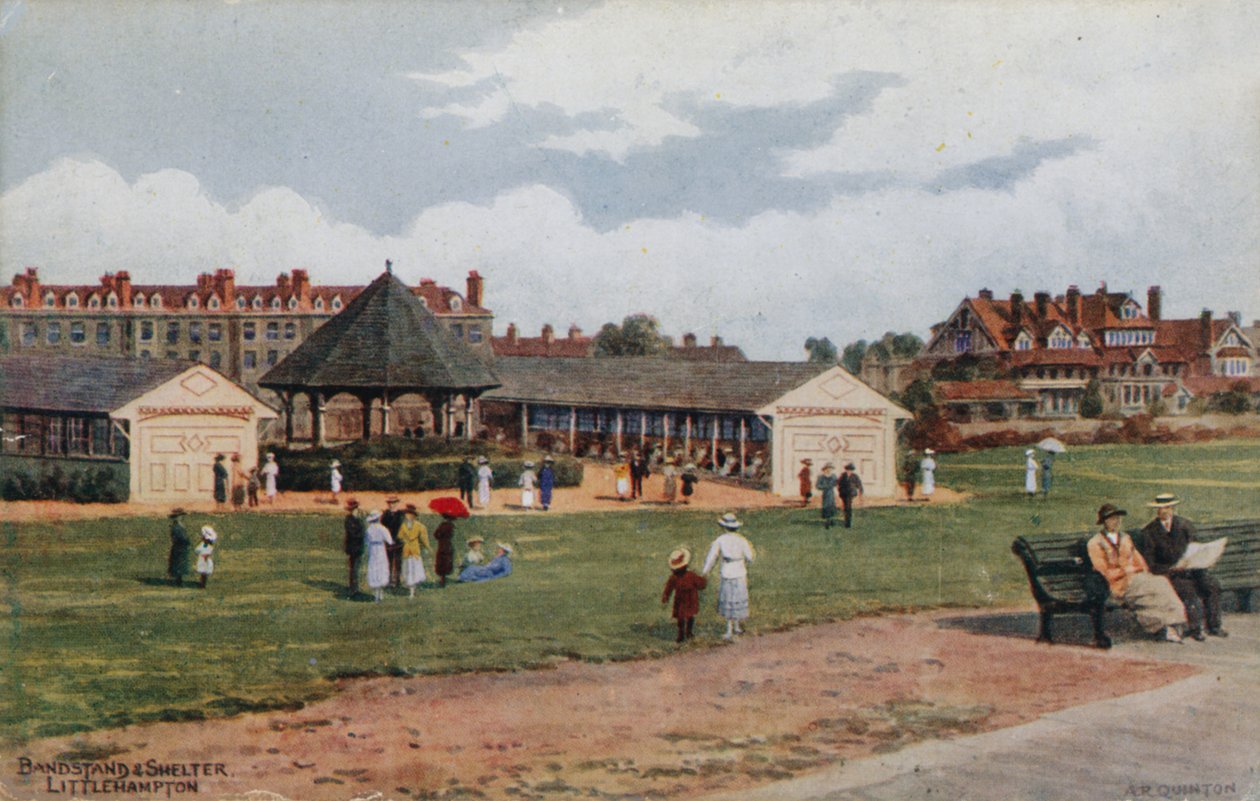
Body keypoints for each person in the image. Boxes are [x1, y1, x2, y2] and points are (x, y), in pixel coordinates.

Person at [1087, 503, 1187, 643]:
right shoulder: (1095, 543)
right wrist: (1126, 571)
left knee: (1157, 588)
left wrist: (1143, 573)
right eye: (1110, 519)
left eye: (1117, 518)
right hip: (1117, 584)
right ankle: (1170, 624)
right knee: (1158, 587)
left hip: (1136, 579)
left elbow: (1139, 560)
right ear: (1104, 522)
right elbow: (1103, 570)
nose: (1115, 522)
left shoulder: (1125, 538)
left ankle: (1168, 625)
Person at [1138, 493, 1227, 639]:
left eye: (1167, 508)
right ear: (1156, 511)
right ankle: (1195, 629)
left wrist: (1203, 560)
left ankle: (1214, 626)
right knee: (1188, 591)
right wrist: (1171, 569)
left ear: (1173, 508)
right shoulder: (1150, 531)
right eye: (1160, 508)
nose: (1164, 511)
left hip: (1193, 569)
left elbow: (1196, 547)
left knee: (1212, 585)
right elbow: (1150, 563)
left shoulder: (1184, 525)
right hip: (1171, 573)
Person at [701, 513, 755, 641]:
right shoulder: (742, 540)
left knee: (729, 599)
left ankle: (730, 629)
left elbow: (712, 558)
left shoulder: (720, 540)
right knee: (736, 598)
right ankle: (735, 627)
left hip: (728, 572)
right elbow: (750, 557)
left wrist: (705, 572)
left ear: (724, 527)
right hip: (740, 571)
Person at [662, 547, 707, 643]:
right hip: (690, 599)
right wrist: (704, 580)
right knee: (690, 616)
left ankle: (681, 635)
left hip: (680, 600)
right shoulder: (691, 575)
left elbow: (668, 589)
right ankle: (688, 633)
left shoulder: (674, 577)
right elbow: (701, 584)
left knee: (681, 618)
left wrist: (665, 598)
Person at [398, 504, 430, 598]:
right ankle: (410, 590)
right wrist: (403, 541)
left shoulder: (420, 526)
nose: (408, 516)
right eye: (407, 514)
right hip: (406, 550)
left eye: (410, 514)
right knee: (408, 569)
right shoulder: (403, 526)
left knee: (414, 569)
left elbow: (424, 539)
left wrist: (426, 547)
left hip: (415, 550)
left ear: (414, 515)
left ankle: (413, 590)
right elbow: (400, 536)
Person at [364, 510, 394, 603]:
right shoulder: (382, 529)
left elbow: (366, 542)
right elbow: (389, 540)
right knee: (381, 568)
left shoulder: (369, 529)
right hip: (380, 549)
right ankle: (380, 594)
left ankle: (376, 595)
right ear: (378, 518)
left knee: (374, 569)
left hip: (372, 549)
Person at [343, 499, 365, 595]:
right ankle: (354, 588)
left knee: (354, 567)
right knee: (354, 568)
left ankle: (353, 587)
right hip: (354, 546)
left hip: (356, 546)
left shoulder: (356, 519)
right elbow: (354, 533)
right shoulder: (350, 519)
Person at [381, 495, 404, 586]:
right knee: (389, 561)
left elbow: (402, 527)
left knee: (398, 561)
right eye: (390, 503)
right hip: (388, 540)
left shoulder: (400, 514)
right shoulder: (385, 514)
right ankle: (389, 579)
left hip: (398, 540)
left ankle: (397, 580)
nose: (391, 505)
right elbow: (383, 527)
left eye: (393, 503)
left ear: (397, 503)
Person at [167, 508, 191, 586]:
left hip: (181, 546)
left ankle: (179, 580)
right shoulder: (176, 527)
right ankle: (178, 581)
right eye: (179, 516)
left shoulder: (179, 525)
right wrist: (186, 541)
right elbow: (179, 537)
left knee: (180, 563)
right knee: (178, 564)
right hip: (179, 546)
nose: (180, 517)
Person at [433, 513, 458, 587]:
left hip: (441, 545)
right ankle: (444, 578)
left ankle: (442, 578)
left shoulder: (442, 526)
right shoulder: (451, 526)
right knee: (447, 561)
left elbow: (436, 535)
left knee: (441, 561)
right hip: (448, 545)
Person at [814, 462, 839, 529]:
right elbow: (817, 486)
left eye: (830, 468)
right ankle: (827, 521)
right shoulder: (821, 477)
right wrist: (825, 486)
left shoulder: (834, 476)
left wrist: (833, 485)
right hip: (825, 493)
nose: (829, 470)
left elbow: (836, 483)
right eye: (828, 468)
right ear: (825, 469)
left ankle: (831, 519)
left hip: (831, 493)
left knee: (832, 506)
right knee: (826, 506)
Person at [838, 463, 863, 528]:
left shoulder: (855, 476)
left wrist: (860, 491)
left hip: (851, 493)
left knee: (848, 507)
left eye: (850, 470)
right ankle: (846, 520)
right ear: (846, 470)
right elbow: (839, 484)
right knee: (845, 507)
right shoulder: (843, 476)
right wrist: (840, 491)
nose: (849, 471)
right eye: (848, 470)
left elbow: (859, 484)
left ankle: (848, 523)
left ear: (852, 470)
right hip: (844, 494)